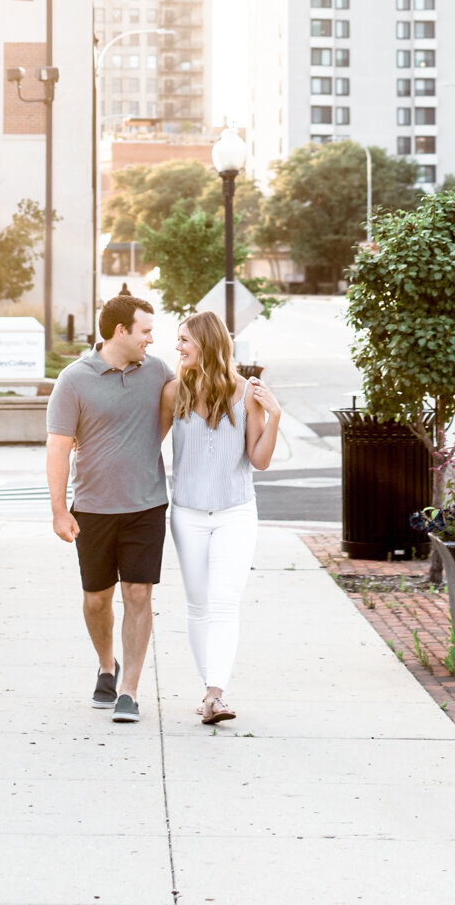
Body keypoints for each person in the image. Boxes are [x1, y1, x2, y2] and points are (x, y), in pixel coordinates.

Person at [46, 293, 173, 725]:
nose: (151, 339)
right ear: (121, 331)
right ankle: (106, 665)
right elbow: (58, 449)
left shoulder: (157, 371)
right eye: (145, 331)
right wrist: (60, 510)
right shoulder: (74, 379)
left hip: (146, 505)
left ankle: (129, 691)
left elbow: (177, 405)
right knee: (97, 599)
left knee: (138, 593)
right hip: (94, 509)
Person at [160, 310, 282, 725]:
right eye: (177, 340)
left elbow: (259, 461)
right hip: (188, 514)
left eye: (184, 341)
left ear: (207, 344)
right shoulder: (173, 392)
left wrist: (275, 417)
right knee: (197, 605)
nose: (177, 348)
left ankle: (216, 693)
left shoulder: (248, 393)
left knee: (224, 603)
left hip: (235, 513)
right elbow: (145, 445)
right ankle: (207, 690)